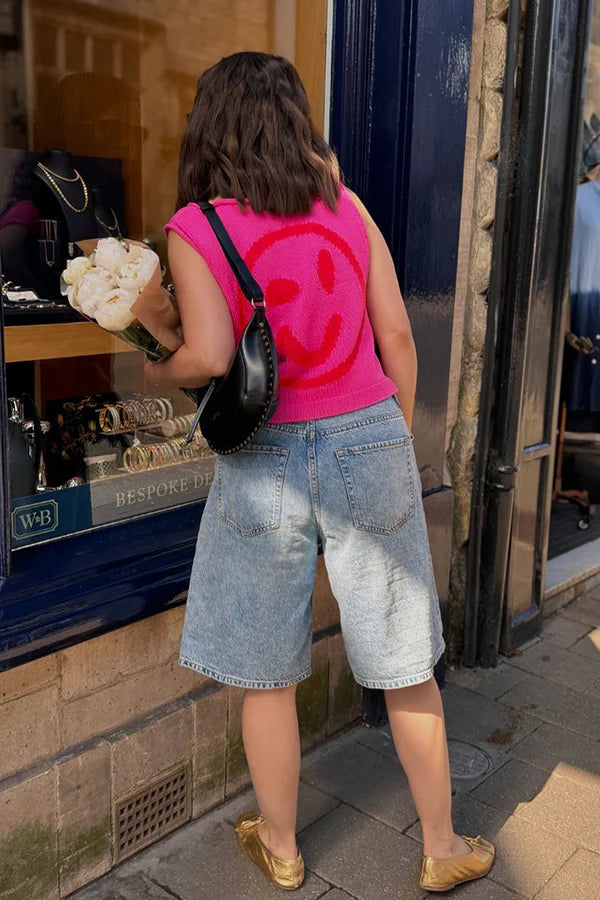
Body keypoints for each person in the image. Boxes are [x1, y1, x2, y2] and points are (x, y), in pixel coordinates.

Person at [145, 50, 494, 894]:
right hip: (368, 435)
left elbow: (209, 356)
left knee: (267, 667)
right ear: (295, 120)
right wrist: (391, 435)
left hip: (266, 462)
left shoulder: (198, 228)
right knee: (404, 655)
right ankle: (442, 847)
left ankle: (283, 845)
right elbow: (400, 336)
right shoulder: (345, 204)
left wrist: (156, 362)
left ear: (210, 126)